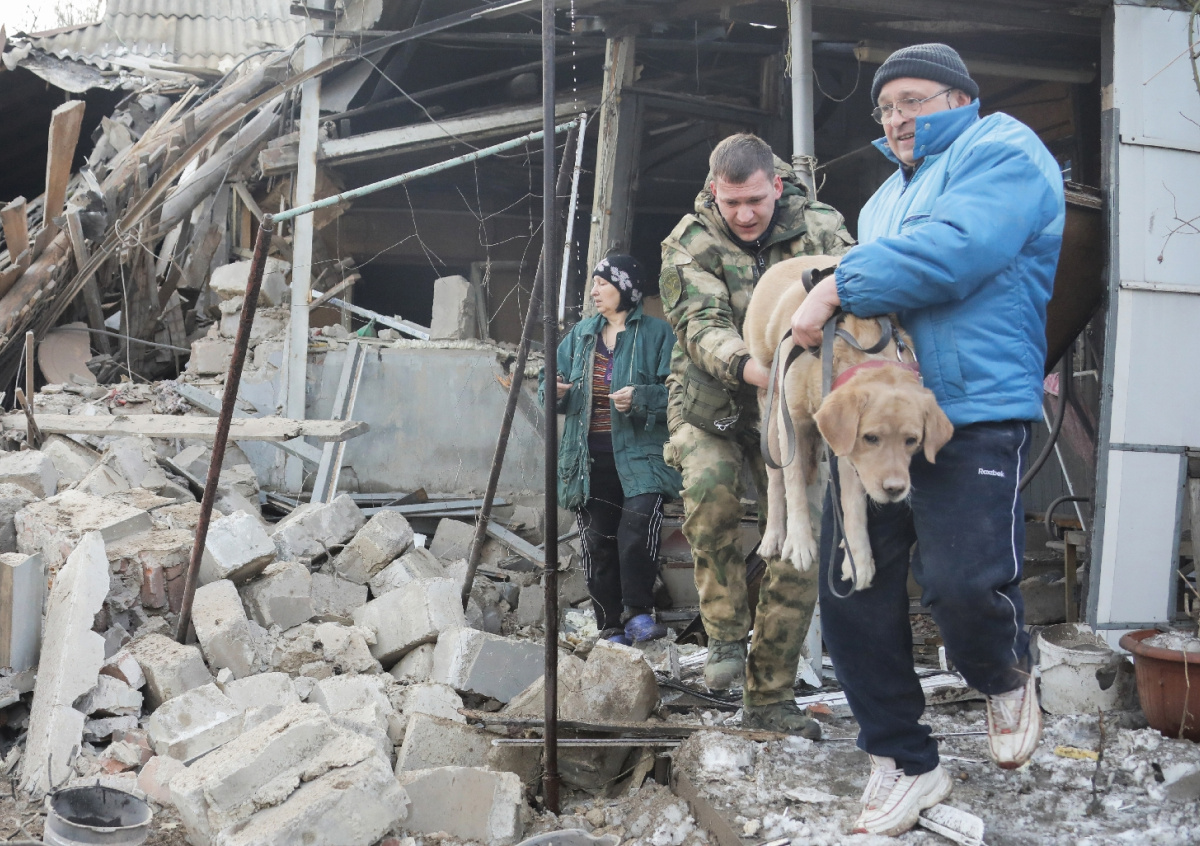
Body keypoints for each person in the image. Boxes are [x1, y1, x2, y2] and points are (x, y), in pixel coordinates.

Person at [790, 44, 1065, 836]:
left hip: (973, 408)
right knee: (852, 592)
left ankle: (1003, 673)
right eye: (885, 107)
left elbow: (956, 252)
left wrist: (839, 284)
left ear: (959, 98)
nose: (896, 118)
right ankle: (904, 760)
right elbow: (876, 304)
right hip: (885, 423)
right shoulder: (884, 200)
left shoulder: (1004, 150)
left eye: (912, 100)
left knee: (961, 584)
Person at [659, 133, 854, 734]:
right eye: (731, 202)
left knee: (801, 539)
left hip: (796, 405)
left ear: (777, 185)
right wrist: (759, 367)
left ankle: (769, 694)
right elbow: (700, 323)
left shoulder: (822, 228)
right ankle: (724, 631)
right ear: (713, 190)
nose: (744, 215)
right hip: (714, 400)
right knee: (711, 490)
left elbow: (861, 291)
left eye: (755, 201)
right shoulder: (690, 241)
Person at [539, 255, 682, 645]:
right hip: (588, 459)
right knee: (597, 541)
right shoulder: (580, 335)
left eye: (603, 283)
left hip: (642, 456)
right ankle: (611, 625)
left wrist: (641, 397)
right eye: (594, 283)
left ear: (626, 288)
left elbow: (679, 393)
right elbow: (547, 385)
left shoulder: (657, 334)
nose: (594, 291)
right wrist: (555, 391)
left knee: (636, 527)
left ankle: (638, 612)